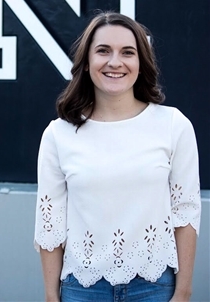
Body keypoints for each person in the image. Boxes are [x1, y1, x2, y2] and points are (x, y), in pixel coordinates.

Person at [34, 11, 201, 302]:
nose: (115, 62)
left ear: (140, 63)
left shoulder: (174, 125)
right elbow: (50, 224)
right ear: (87, 63)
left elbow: (185, 213)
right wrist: (51, 297)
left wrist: (183, 291)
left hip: (154, 287)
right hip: (80, 288)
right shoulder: (58, 135)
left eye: (128, 52)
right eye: (103, 51)